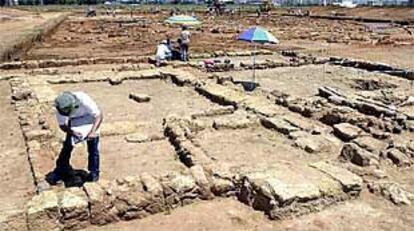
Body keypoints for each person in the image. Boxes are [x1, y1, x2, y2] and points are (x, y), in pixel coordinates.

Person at [48, 91, 103, 184]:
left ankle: (94, 173)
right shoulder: (60, 108)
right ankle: (61, 168)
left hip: (90, 119)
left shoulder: (84, 99)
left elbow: (99, 115)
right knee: (67, 146)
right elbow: (62, 126)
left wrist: (92, 132)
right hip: (75, 123)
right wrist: (73, 132)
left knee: (93, 148)